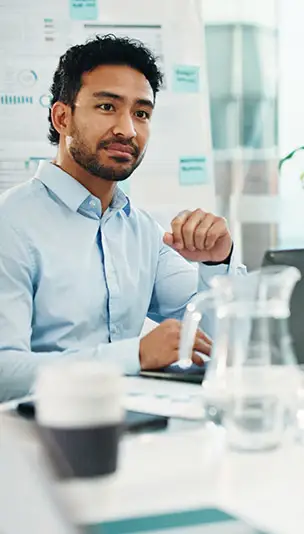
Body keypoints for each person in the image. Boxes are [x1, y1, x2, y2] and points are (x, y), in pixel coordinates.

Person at [0, 35, 244, 402]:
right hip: (33, 443)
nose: (127, 130)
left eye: (141, 114)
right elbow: (5, 373)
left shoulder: (142, 230)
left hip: (135, 431)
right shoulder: (11, 224)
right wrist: (135, 356)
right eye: (106, 107)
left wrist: (216, 264)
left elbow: (214, 345)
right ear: (62, 117)